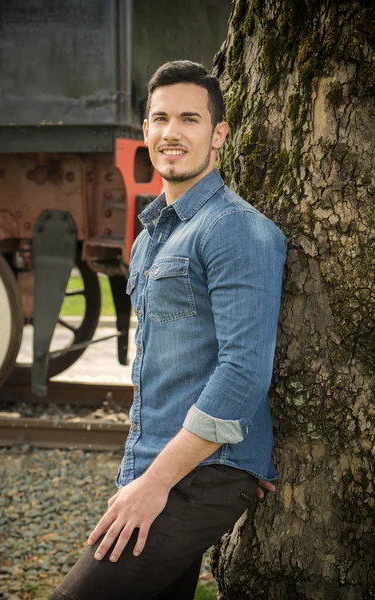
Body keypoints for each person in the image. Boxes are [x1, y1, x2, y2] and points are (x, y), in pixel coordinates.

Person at [50, 60, 286, 600]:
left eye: (189, 119)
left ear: (218, 134)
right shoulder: (152, 236)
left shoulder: (237, 230)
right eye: (159, 119)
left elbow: (244, 369)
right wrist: (147, 477)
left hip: (199, 475)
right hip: (156, 463)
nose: (171, 133)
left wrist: (155, 485)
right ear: (145, 133)